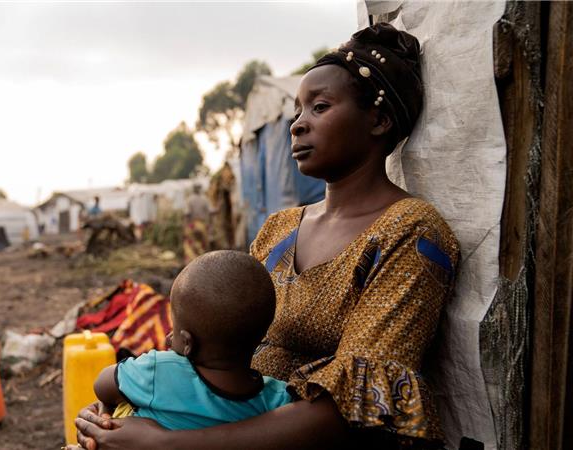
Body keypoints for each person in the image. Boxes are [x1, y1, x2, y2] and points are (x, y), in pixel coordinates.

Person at [70, 23, 460, 450]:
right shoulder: (279, 228)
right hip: (222, 421)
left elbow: (355, 407)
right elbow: (215, 346)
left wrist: (167, 443)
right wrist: (128, 412)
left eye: (320, 107)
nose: (297, 125)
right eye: (297, 111)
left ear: (379, 120)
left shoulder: (410, 233)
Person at [93, 250, 291, 430]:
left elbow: (102, 384)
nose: (170, 337)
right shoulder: (277, 398)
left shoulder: (159, 371)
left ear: (188, 343)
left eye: (175, 329)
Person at [182, 184, 211, 263]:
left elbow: (187, 213)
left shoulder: (189, 199)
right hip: (202, 224)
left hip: (192, 225)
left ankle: (191, 262)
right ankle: (203, 261)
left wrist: (185, 225)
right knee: (203, 244)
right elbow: (210, 211)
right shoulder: (204, 199)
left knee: (190, 244)